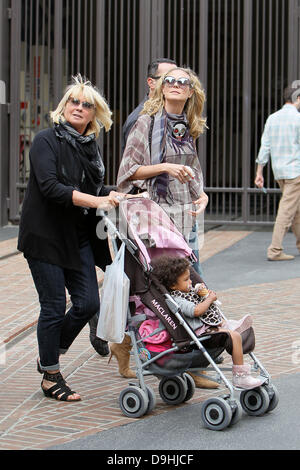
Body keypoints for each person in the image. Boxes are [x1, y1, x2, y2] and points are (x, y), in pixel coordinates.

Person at [17, 74, 127, 402]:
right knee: (52, 306)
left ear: (95, 114)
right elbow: (51, 187)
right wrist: (97, 201)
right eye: (73, 102)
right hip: (45, 236)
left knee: (88, 303)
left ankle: (49, 352)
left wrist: (123, 195)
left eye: (86, 104)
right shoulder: (45, 141)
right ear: (63, 108)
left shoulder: (89, 148)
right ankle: (51, 375)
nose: (78, 107)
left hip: (77, 237)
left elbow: (94, 191)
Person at [112, 67, 212, 387]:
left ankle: (191, 358)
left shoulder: (186, 126)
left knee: (188, 285)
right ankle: (174, 356)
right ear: (161, 88)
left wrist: (203, 196)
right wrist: (166, 166)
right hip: (156, 220)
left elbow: (192, 170)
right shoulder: (147, 123)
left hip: (185, 218)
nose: (177, 85)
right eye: (171, 80)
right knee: (160, 290)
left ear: (191, 91)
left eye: (184, 82)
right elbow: (127, 172)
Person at [151, 255, 262, 390]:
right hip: (201, 334)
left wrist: (204, 294)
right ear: (173, 285)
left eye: (190, 278)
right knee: (234, 336)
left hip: (208, 329)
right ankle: (241, 377)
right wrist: (208, 299)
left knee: (233, 331)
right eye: (186, 280)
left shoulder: (189, 292)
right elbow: (196, 311)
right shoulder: (177, 300)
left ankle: (230, 326)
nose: (190, 282)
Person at [255, 83, 300, 261]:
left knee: (296, 210)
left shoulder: (272, 118)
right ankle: (274, 250)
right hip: (296, 171)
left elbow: (265, 146)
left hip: (279, 171)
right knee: (287, 211)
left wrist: (259, 172)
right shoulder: (297, 119)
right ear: (297, 98)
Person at [121, 58, 177, 155]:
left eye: (179, 80)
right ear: (151, 83)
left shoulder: (177, 115)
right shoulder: (139, 119)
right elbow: (131, 167)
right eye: (169, 79)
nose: (176, 84)